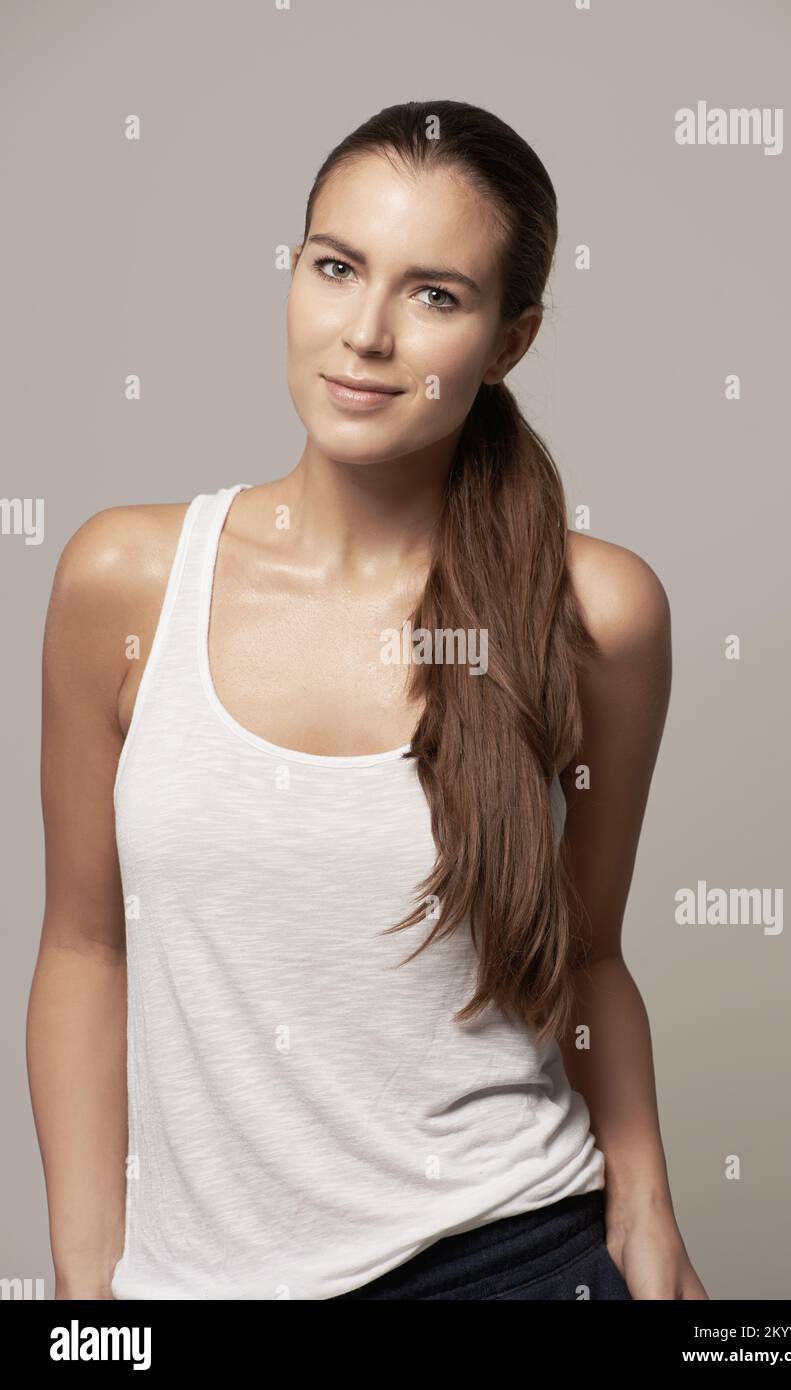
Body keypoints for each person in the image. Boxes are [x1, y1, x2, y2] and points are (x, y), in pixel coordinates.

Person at [28, 99, 708, 1300]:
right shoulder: (123, 579)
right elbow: (85, 948)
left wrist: (647, 1212)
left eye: (436, 294)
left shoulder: (598, 611)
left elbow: (591, 954)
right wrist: (88, 1290)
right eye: (336, 268)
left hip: (516, 1257)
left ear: (510, 340)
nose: (366, 333)